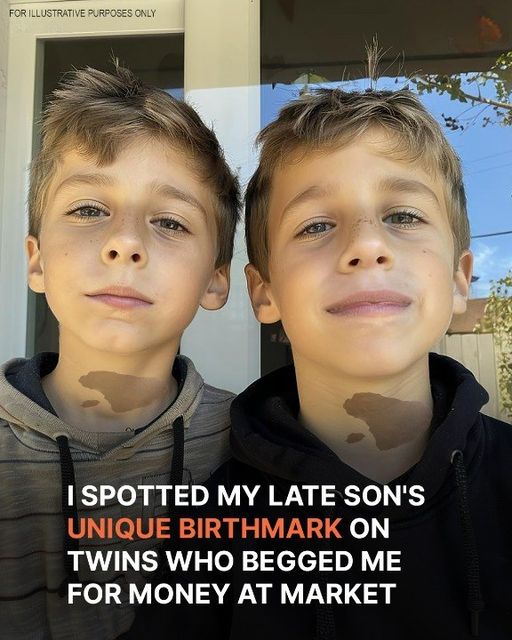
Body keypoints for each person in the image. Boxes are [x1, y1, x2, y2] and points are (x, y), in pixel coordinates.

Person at [124, 88, 512, 640]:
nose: (367, 245)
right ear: (264, 292)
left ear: (458, 279)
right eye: (315, 225)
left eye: (403, 215)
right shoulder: (211, 536)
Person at [0, 64, 240, 639]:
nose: (125, 242)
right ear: (37, 260)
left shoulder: (257, 447)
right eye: (88, 209)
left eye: (170, 222)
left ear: (216, 279)